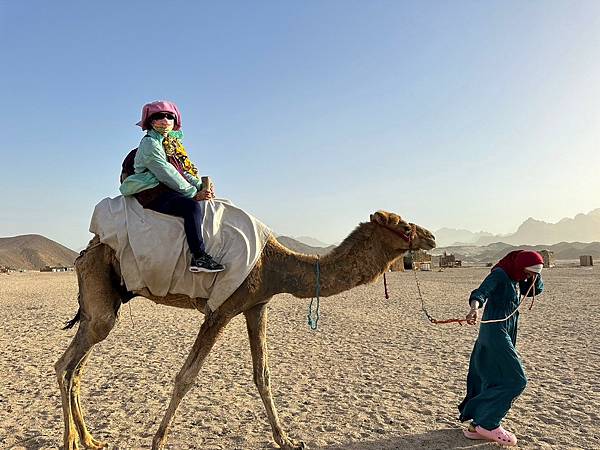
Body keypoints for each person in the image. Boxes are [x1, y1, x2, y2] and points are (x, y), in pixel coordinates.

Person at [120, 100, 225, 273]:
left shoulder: (170, 143)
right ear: (151, 122)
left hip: (167, 186)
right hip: (152, 190)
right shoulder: (150, 144)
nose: (165, 120)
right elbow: (166, 172)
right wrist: (193, 193)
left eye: (169, 116)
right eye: (159, 116)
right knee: (191, 208)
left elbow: (181, 170)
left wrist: (200, 186)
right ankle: (198, 257)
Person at [458, 250, 544, 446]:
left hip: (507, 328)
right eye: (529, 272)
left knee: (492, 376)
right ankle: (488, 423)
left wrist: (535, 274)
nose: (530, 277)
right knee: (517, 380)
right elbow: (481, 292)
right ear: (519, 266)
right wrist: (474, 308)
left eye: (533, 274)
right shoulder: (501, 274)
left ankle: (476, 425)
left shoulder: (517, 277)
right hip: (495, 330)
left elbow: (534, 290)